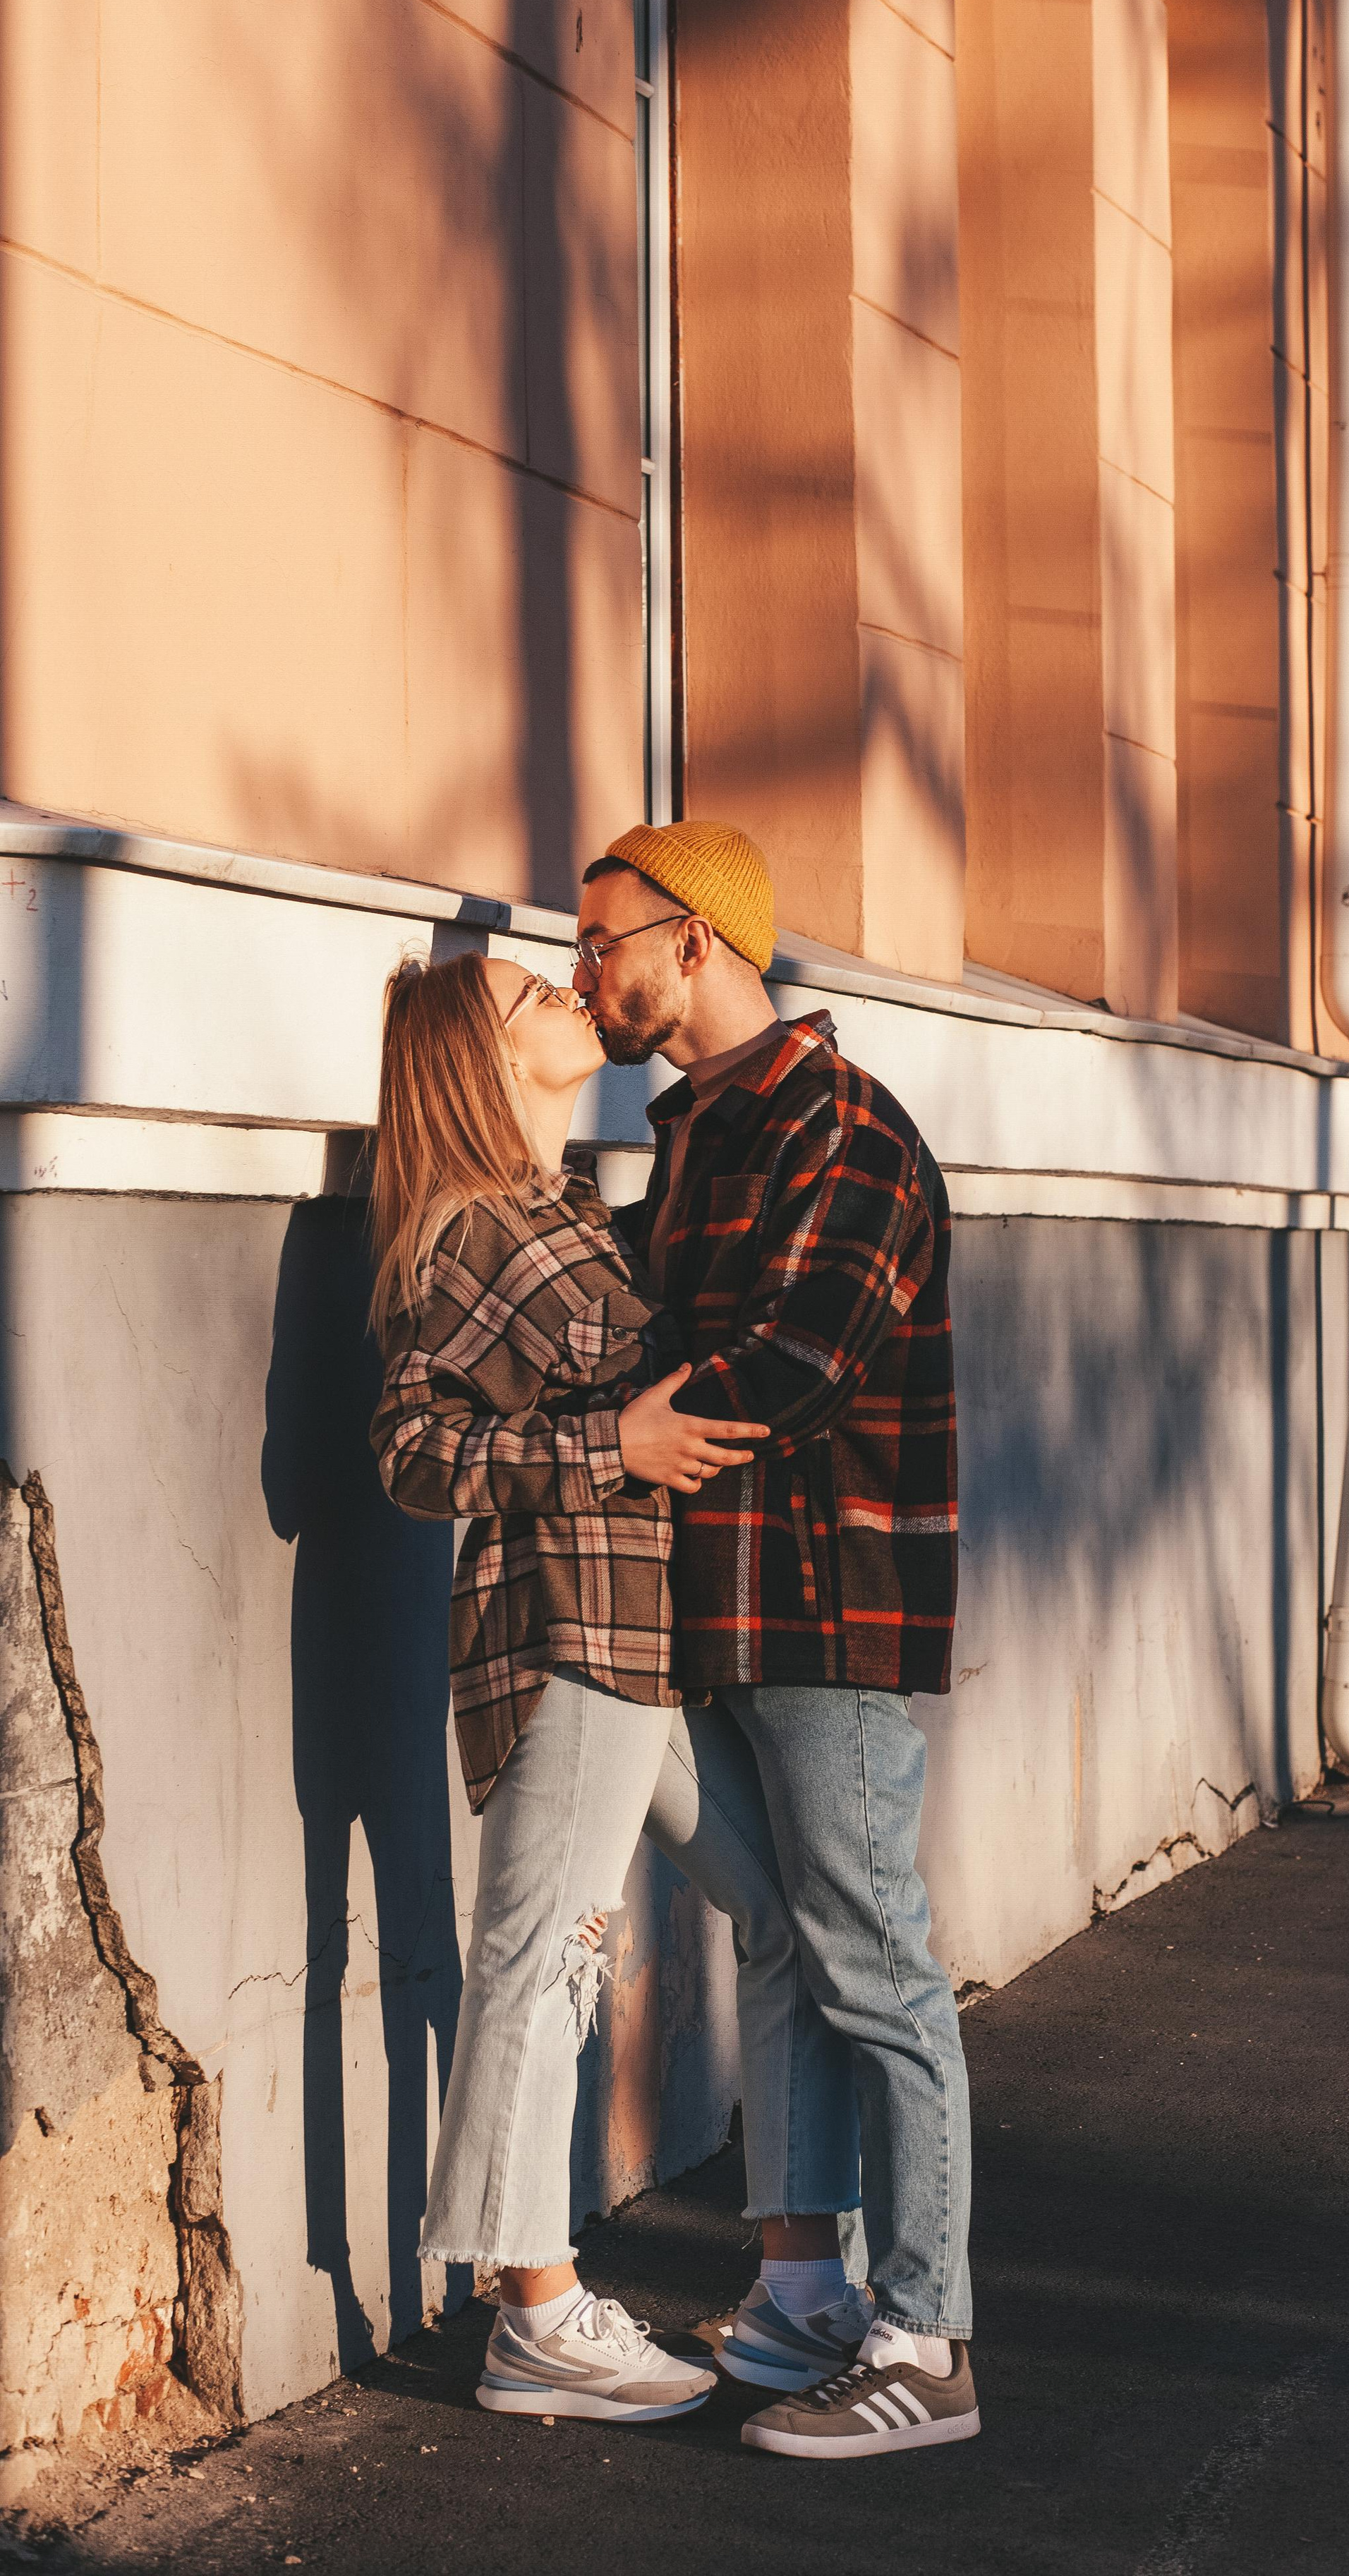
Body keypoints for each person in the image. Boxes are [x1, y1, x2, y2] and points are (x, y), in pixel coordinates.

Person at [368, 950, 849, 2424]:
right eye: (534, 997)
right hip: (567, 1635)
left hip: (654, 1648)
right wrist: (606, 1452)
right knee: (547, 1956)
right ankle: (533, 2310)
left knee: (782, 1917)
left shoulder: (576, 1213)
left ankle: (804, 2275)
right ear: (481, 1058)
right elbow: (407, 1456)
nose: (572, 995)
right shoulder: (462, 1234)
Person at [574, 819, 979, 2460]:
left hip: (826, 1608)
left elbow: (797, 1362)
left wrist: (631, 1422)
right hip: (717, 1602)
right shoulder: (695, 1137)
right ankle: (804, 2283)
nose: (582, 972)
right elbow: (657, 1339)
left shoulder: (843, 1130)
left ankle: (928, 2337)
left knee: (874, 1956)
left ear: (697, 943)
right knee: (782, 1936)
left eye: (603, 941)